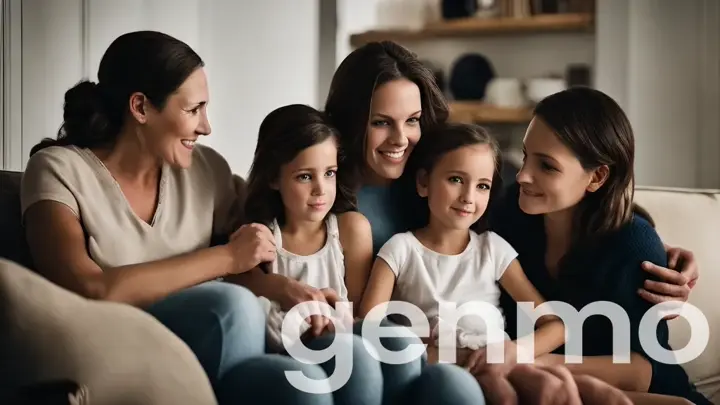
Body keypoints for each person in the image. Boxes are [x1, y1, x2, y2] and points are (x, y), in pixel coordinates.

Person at [320, 41, 702, 403]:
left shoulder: (484, 209)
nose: (521, 177)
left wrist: (649, 239)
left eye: (413, 120)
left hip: (514, 366)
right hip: (433, 362)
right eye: (381, 122)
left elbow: (639, 366)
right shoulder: (507, 215)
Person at [20, 31, 336, 405]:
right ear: (140, 107)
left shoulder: (206, 171)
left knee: (317, 381)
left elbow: (250, 259)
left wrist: (284, 289)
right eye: (193, 110)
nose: (206, 126)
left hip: (217, 348)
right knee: (231, 307)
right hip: (113, 354)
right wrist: (225, 257)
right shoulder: (57, 171)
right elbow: (89, 289)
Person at [489, 87, 709, 405]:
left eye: (547, 166)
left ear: (597, 177)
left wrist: (521, 362)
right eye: (525, 157)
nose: (523, 175)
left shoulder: (633, 248)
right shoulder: (510, 214)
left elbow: (643, 372)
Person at [358, 123, 566, 374]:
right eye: (456, 179)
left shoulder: (492, 250)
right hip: (437, 372)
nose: (469, 196)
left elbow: (555, 327)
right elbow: (367, 327)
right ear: (424, 182)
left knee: (563, 389)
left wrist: (513, 350)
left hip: (498, 366)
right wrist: (423, 351)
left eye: (482, 186)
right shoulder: (400, 250)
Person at [228, 103, 385, 405]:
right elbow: (248, 311)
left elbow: (361, 317)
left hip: (343, 352)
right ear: (274, 178)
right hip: (284, 359)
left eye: (329, 173)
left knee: (359, 354)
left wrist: (334, 324)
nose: (320, 189)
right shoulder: (259, 238)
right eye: (304, 177)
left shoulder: (351, 230)